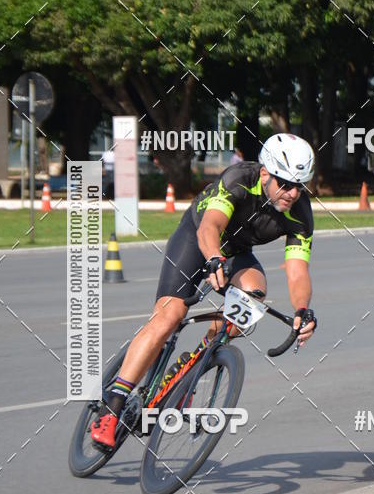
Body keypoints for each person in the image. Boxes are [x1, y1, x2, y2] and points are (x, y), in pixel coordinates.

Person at [91, 133, 318, 451]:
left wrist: (302, 309)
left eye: (300, 185)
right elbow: (210, 226)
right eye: (286, 183)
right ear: (266, 173)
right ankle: (111, 408)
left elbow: (297, 270)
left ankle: (194, 366)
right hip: (198, 239)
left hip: (235, 252)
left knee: (254, 296)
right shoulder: (241, 178)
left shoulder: (300, 214)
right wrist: (214, 259)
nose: (293, 193)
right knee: (170, 315)